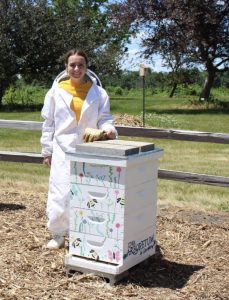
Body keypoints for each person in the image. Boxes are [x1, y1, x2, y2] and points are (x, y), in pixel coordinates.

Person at [40, 49, 117, 249]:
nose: (76, 69)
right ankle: (57, 234)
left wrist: (108, 130)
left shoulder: (99, 93)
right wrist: (47, 150)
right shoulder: (55, 91)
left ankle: (84, 233)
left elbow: (105, 118)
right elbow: (48, 123)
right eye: (72, 65)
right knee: (61, 192)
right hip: (62, 150)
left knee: (88, 193)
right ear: (66, 67)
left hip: (89, 150)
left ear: (86, 67)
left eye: (80, 65)